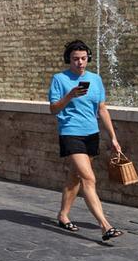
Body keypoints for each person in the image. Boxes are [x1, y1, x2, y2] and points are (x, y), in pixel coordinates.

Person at [49, 40, 124, 241]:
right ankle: (105, 226)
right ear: (68, 60)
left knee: (75, 178)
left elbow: (102, 109)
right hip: (70, 133)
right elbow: (54, 108)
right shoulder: (59, 79)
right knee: (89, 179)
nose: (80, 63)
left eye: (83, 58)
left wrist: (113, 137)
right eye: (75, 59)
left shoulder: (96, 79)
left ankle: (63, 215)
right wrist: (70, 95)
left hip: (91, 134)